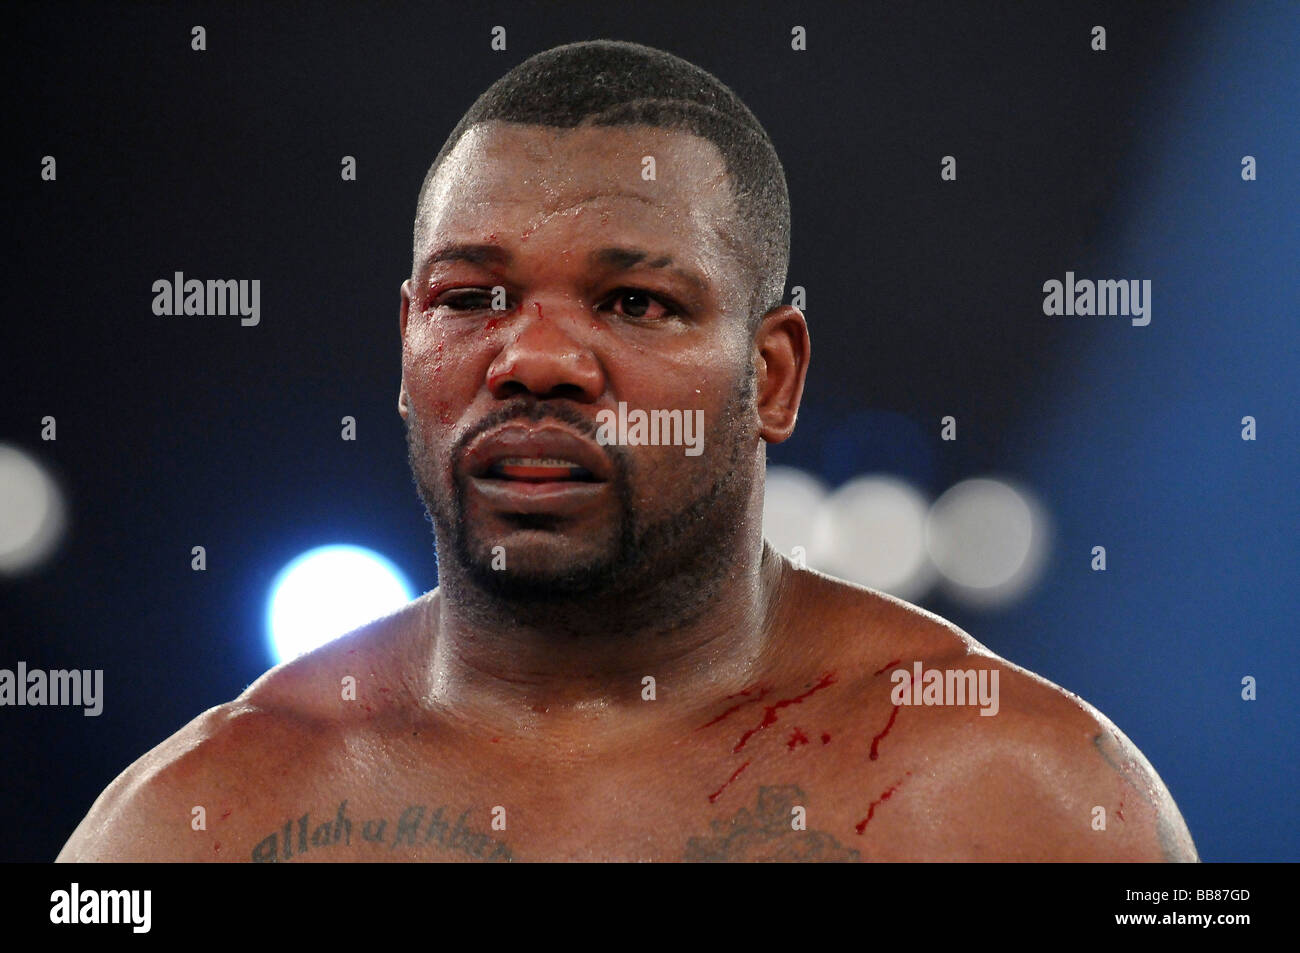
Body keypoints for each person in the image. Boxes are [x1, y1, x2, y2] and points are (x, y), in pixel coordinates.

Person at [58, 39, 1197, 862]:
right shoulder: (191, 824)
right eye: (473, 297)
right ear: (408, 350)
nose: (536, 358)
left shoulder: (1020, 798)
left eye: (635, 303)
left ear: (773, 375)